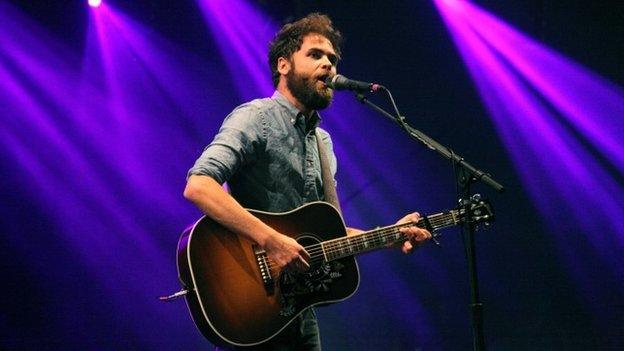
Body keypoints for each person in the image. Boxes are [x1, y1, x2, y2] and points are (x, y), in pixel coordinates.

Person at [184, 13, 432, 351]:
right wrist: (272, 240)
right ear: (284, 65)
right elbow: (199, 185)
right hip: (250, 302)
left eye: (332, 58)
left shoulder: (323, 143)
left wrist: (389, 236)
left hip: (297, 312)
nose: (328, 65)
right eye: (315, 55)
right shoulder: (256, 117)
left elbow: (327, 235)